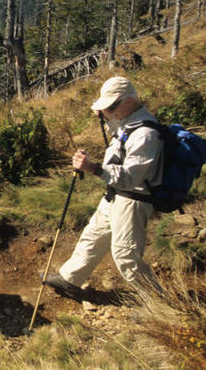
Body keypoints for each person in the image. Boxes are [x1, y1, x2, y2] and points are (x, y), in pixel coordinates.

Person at [44, 76, 163, 298]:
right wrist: (107, 117)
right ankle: (70, 279)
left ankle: (159, 304)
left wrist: (94, 168)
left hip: (133, 200)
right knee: (93, 236)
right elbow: (120, 136)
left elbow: (130, 177)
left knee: (125, 256)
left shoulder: (146, 135)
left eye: (110, 107)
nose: (107, 111)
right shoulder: (130, 120)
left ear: (127, 101)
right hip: (116, 194)